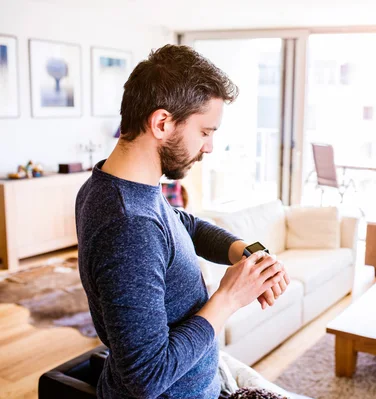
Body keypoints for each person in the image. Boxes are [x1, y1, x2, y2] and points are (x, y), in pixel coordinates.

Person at [75, 44, 290, 399]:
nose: (209, 147)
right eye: (205, 131)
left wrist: (247, 253)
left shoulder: (120, 187)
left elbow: (182, 223)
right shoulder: (128, 226)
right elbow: (147, 377)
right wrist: (229, 297)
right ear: (162, 123)